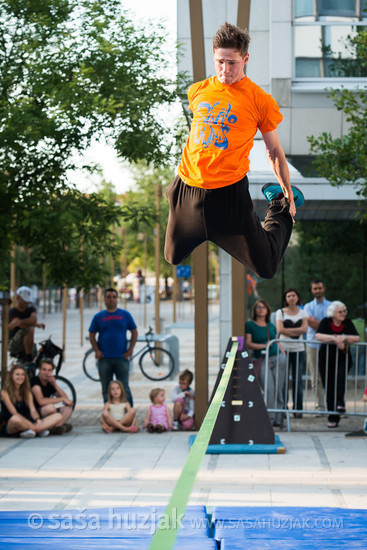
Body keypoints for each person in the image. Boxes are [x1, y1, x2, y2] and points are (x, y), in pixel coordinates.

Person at [164, 22, 304, 279]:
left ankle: (279, 207)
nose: (225, 69)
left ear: (246, 59)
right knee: (172, 256)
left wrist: (287, 192)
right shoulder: (198, 91)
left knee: (267, 266)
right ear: (214, 56)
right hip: (188, 189)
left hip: (228, 195)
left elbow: (273, 150)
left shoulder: (259, 100)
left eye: (232, 63)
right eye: (220, 62)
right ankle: (174, 193)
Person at [89, 288, 138, 405]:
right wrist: (97, 350)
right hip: (104, 359)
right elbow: (92, 335)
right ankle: (110, 415)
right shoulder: (98, 316)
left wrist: (130, 350)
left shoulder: (125, 315)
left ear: (117, 299)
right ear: (104, 299)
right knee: (106, 389)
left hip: (122, 357)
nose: (111, 299)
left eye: (114, 297)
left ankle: (129, 414)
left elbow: (134, 332)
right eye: (108, 297)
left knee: (124, 387)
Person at [316, 301, 360, 428]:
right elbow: (318, 335)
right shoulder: (325, 321)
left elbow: (357, 337)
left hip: (343, 358)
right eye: (340, 311)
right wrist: (335, 339)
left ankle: (340, 403)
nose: (343, 313)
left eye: (344, 311)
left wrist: (344, 337)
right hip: (326, 358)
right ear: (333, 313)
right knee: (329, 386)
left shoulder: (347, 323)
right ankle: (332, 416)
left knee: (340, 379)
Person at [245, 299, 286, 427]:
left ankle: (279, 418)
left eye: (263, 307)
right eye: (258, 307)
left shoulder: (271, 325)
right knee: (269, 389)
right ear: (255, 310)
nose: (261, 309)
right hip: (262, 359)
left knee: (279, 390)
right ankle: (270, 417)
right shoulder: (250, 325)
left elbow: (276, 341)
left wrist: (283, 353)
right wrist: (263, 346)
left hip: (278, 358)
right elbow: (248, 343)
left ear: (267, 310)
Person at [0, 365, 62, 438]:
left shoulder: (27, 392)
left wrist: (38, 420)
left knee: (58, 416)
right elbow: (14, 413)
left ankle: (32, 430)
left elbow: (32, 410)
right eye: (17, 374)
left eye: (22, 374)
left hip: (27, 420)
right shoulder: (4, 392)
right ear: (11, 376)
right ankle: (38, 430)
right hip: (10, 423)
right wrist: (30, 424)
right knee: (15, 419)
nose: (20, 377)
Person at [276, 288, 308, 418]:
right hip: (284, 350)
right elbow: (280, 329)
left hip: (298, 350)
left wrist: (287, 330)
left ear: (297, 297)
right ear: (285, 299)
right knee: (283, 380)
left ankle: (298, 409)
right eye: (288, 296)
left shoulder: (303, 312)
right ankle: (283, 408)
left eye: (293, 295)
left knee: (297, 380)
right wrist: (296, 330)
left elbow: (304, 329)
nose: (291, 298)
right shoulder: (280, 312)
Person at [304, 279, 331, 413]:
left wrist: (319, 324)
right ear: (312, 290)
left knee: (330, 376)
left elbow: (330, 325)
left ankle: (333, 406)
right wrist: (325, 324)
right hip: (313, 346)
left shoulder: (332, 306)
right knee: (316, 378)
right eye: (315, 288)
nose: (317, 291)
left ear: (323, 288)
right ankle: (320, 407)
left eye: (319, 288)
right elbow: (312, 324)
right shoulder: (308, 307)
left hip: (328, 346)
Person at [31, 359, 73, 435]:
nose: (46, 373)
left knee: (68, 408)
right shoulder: (35, 382)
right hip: (35, 412)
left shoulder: (49, 382)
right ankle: (54, 427)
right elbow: (41, 401)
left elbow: (66, 399)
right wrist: (62, 399)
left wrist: (55, 385)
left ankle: (56, 427)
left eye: (49, 370)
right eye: (44, 369)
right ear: (39, 370)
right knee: (51, 408)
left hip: (46, 411)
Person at [8, 286, 45, 363]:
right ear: (17, 298)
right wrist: (33, 324)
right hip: (14, 343)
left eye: (28, 301)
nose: (26, 303)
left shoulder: (31, 309)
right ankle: (28, 357)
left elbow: (33, 319)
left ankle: (29, 356)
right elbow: (15, 323)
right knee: (29, 329)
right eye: (24, 300)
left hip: (28, 342)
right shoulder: (12, 312)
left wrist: (20, 322)